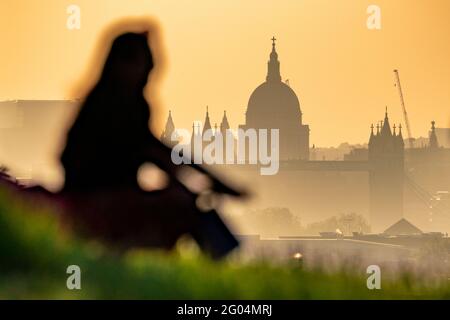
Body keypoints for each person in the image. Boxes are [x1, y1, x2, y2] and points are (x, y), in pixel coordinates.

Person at [60, 32, 244, 259]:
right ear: (123, 64)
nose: (150, 71)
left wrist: (211, 181)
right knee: (185, 206)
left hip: (105, 199)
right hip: (100, 203)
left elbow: (157, 151)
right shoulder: (116, 107)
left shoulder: (111, 102)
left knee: (185, 202)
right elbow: (154, 152)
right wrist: (209, 182)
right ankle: (223, 267)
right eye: (145, 63)